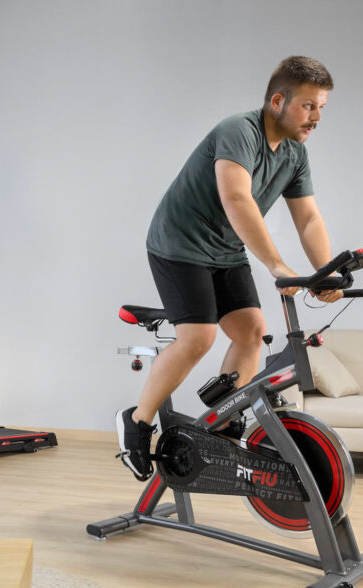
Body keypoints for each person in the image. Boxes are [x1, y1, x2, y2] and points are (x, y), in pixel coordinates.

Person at [117, 55, 343, 480]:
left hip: (226, 249)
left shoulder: (295, 154)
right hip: (179, 244)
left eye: (321, 108)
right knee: (198, 337)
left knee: (252, 332)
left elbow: (309, 218)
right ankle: (137, 422)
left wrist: (322, 273)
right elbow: (236, 199)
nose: (316, 117)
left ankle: (222, 424)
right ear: (278, 100)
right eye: (308, 106)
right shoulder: (238, 130)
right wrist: (276, 264)